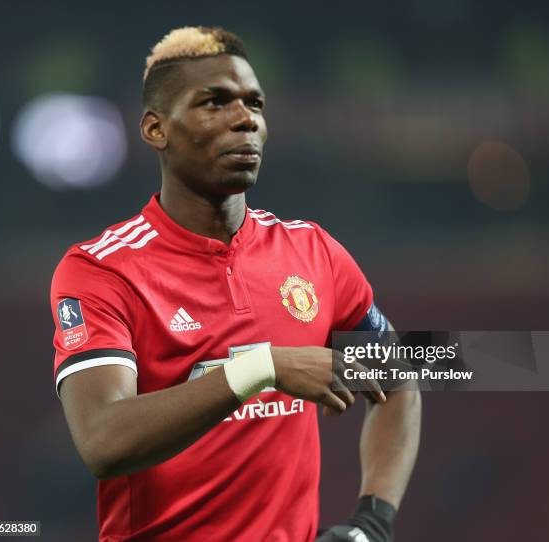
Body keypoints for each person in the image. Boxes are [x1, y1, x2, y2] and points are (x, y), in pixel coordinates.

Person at [50, 26, 421, 542]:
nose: (245, 119)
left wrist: (372, 522)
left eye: (254, 103)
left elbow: (400, 373)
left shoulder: (312, 251)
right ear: (157, 129)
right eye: (214, 103)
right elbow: (103, 441)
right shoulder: (103, 270)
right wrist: (260, 368)